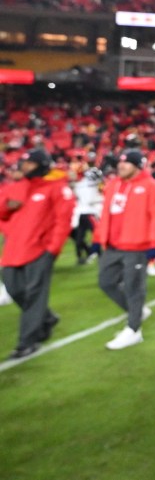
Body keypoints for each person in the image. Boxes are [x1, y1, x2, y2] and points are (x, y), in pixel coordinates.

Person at [0, 148, 75, 359]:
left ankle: (27, 342)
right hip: (14, 250)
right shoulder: (13, 188)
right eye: (23, 163)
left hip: (40, 251)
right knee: (15, 290)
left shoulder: (57, 189)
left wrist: (52, 249)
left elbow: (63, 221)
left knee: (34, 295)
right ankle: (47, 318)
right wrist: (6, 206)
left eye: (29, 163)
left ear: (41, 165)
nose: (24, 167)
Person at [94, 149, 155, 350]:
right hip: (113, 245)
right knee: (106, 282)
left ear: (137, 166)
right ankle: (137, 312)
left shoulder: (152, 186)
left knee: (134, 289)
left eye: (126, 163)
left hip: (137, 245)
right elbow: (106, 213)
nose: (121, 166)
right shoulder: (113, 184)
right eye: (120, 163)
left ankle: (134, 330)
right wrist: (99, 237)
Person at [71, 166, 105, 264]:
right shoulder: (92, 185)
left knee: (80, 238)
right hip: (89, 213)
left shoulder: (80, 185)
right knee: (97, 235)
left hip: (81, 213)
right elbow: (90, 199)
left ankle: (83, 256)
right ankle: (98, 255)